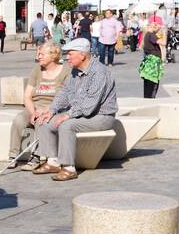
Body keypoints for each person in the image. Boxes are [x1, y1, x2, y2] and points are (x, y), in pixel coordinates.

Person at [30, 38, 117, 182]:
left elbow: (89, 105)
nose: (67, 57)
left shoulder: (99, 72)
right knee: (44, 121)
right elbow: (64, 92)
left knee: (66, 125)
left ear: (82, 55)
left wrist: (68, 115)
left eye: (70, 54)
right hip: (81, 113)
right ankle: (52, 161)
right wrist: (52, 110)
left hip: (101, 116)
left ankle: (69, 168)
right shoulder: (75, 71)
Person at [10, 41, 71, 169]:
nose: (38, 57)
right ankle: (13, 156)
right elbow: (27, 96)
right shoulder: (37, 70)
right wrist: (33, 112)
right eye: (38, 54)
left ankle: (36, 157)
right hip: (35, 107)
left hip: (55, 108)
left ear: (53, 55)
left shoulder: (66, 71)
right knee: (18, 120)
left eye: (42, 54)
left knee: (41, 121)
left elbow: (67, 97)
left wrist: (46, 110)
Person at [139, 23, 164, 98]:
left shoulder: (146, 35)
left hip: (148, 61)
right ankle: (151, 98)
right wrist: (165, 33)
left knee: (148, 82)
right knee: (153, 83)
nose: (157, 26)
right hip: (153, 62)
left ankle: (147, 97)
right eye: (155, 25)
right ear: (150, 27)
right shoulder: (151, 35)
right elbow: (163, 42)